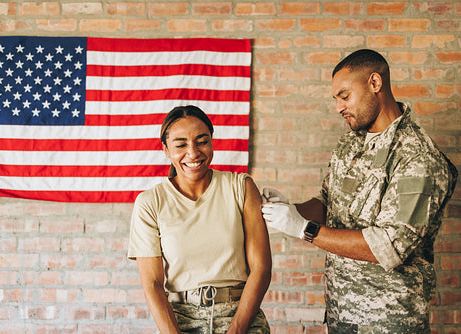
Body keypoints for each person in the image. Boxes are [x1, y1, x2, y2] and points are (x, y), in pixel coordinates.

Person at [261, 49, 458, 333]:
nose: (338, 107)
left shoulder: (417, 157)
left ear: (375, 84)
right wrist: (290, 210)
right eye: (336, 99)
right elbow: (329, 204)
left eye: (344, 95)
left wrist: (305, 229)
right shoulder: (351, 143)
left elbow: (389, 246)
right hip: (342, 316)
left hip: (389, 323)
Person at [128, 105, 272, 333]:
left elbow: (261, 268)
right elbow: (153, 284)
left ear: (212, 142)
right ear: (166, 149)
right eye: (181, 144)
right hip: (180, 319)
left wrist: (236, 329)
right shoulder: (150, 203)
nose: (193, 153)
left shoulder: (241, 187)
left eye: (202, 141)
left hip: (241, 315)